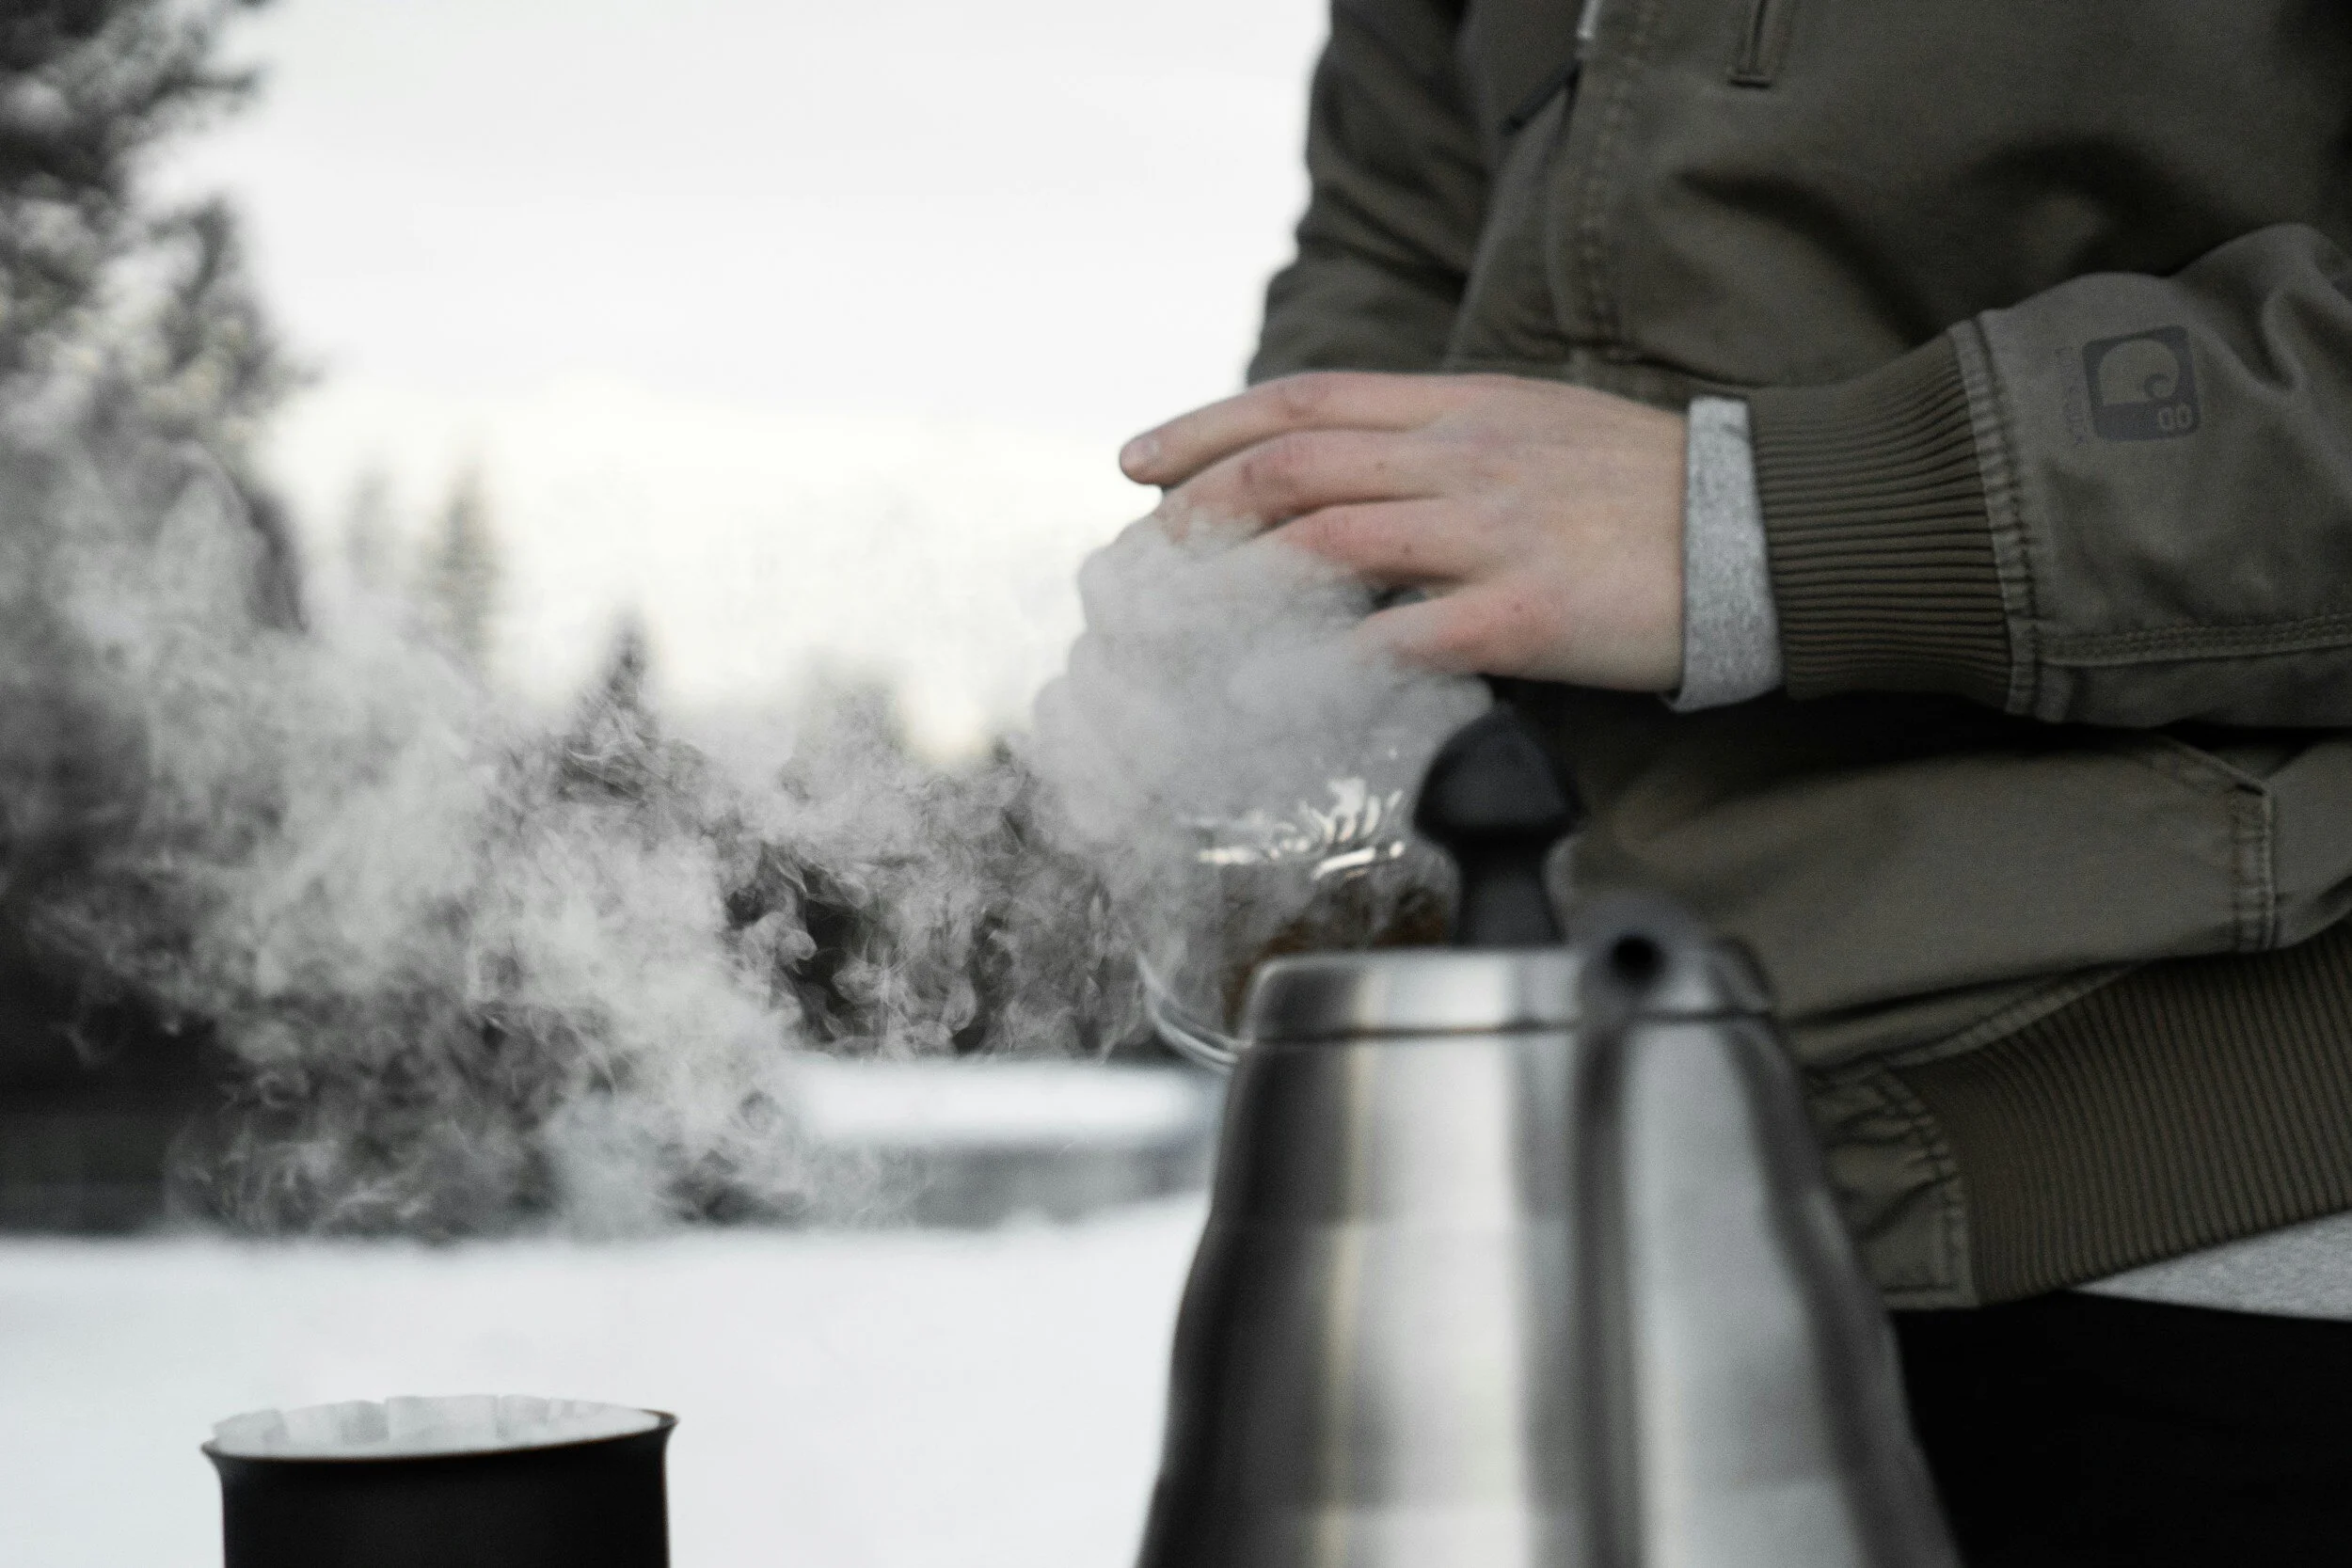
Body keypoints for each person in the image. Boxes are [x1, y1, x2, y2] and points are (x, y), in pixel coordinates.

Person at [1120, 2, 2352, 1559]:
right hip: (1509, 1211)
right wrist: (1288, 576)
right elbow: (1401, 234)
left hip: (2199, 1237)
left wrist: (1767, 519)